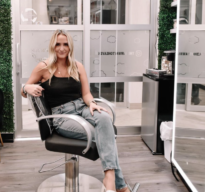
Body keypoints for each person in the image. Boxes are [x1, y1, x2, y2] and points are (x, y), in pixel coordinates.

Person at [21, 29, 129, 192]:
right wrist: (26, 87)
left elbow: (86, 93)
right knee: (104, 134)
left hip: (82, 107)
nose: (62, 48)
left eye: (65, 44)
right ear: (52, 46)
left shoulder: (77, 66)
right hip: (61, 115)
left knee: (104, 119)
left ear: (70, 46)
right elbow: (24, 92)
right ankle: (118, 185)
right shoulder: (43, 67)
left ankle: (110, 177)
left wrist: (92, 103)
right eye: (58, 44)